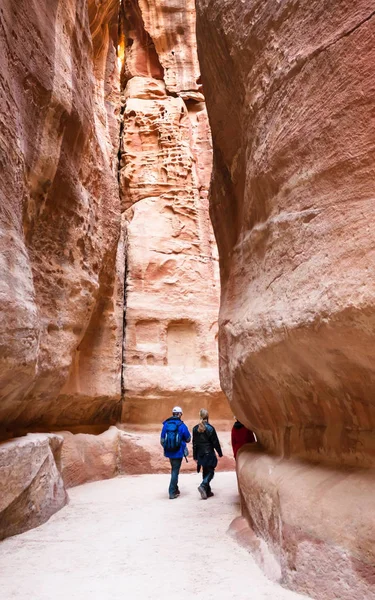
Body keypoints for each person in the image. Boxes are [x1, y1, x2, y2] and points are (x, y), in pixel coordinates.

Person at [160, 406, 191, 499]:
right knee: (175, 471)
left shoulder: (166, 424)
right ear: (180, 414)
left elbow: (162, 440)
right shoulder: (181, 425)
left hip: (169, 452)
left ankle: (175, 489)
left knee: (174, 469)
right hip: (178, 452)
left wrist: (168, 447)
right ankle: (172, 492)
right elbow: (188, 439)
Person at [193, 408, 222, 500]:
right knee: (210, 472)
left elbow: (194, 444)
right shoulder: (210, 428)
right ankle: (203, 485)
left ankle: (207, 491)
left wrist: (195, 456)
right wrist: (219, 452)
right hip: (209, 453)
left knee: (205, 471)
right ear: (207, 416)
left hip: (200, 453)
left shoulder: (195, 428)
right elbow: (215, 442)